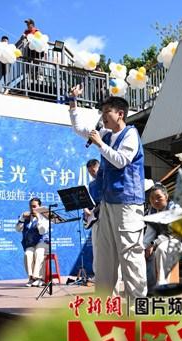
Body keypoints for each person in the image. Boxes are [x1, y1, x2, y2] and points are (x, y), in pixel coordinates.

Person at [68, 84, 147, 298]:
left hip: (127, 204)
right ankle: (106, 307)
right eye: (102, 112)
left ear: (120, 114)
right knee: (104, 260)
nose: (103, 116)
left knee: (130, 257)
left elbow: (121, 161)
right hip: (106, 203)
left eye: (107, 112)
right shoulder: (104, 134)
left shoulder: (131, 134)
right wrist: (73, 102)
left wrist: (100, 145)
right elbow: (79, 128)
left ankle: (137, 308)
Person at [144, 184, 182, 292]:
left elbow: (171, 233)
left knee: (161, 249)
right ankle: (148, 286)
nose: (155, 201)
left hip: (177, 241)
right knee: (143, 251)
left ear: (166, 197)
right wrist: (145, 247)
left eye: (159, 197)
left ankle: (162, 284)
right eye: (152, 198)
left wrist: (153, 244)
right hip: (161, 241)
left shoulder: (175, 209)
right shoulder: (152, 211)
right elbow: (150, 232)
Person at [16, 198, 50, 287]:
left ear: (39, 207)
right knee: (28, 254)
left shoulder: (44, 217)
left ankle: (39, 278)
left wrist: (38, 217)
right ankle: (31, 278)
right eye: (31, 206)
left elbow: (42, 231)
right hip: (30, 243)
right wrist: (22, 218)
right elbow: (18, 229)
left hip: (43, 242)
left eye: (34, 206)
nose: (32, 209)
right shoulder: (26, 217)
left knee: (38, 252)